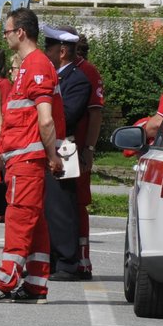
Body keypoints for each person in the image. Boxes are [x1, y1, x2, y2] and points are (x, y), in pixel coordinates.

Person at [0, 8, 62, 304]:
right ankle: (36, 284)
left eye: (7, 31)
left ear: (21, 32)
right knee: (34, 220)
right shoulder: (29, 65)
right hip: (21, 160)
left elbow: (46, 119)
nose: (5, 36)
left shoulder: (37, 65)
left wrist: (52, 155)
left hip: (28, 161)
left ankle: (4, 280)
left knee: (19, 218)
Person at [43, 28, 91, 282]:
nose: (45, 52)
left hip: (64, 147)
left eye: (48, 47)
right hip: (50, 145)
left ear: (61, 51)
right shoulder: (54, 76)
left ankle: (67, 261)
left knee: (62, 206)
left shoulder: (77, 79)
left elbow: (68, 115)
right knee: (48, 206)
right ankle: (51, 257)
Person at [71, 34, 104, 278]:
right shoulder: (55, 68)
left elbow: (95, 114)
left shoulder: (88, 72)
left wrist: (89, 149)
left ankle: (82, 258)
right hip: (60, 146)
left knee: (78, 202)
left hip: (77, 148)